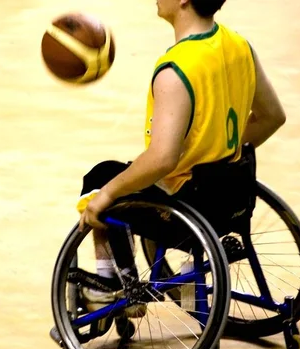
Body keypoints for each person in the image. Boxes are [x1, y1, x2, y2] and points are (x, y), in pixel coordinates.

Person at [76, 0, 287, 315]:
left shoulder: (175, 71)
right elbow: (272, 117)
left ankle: (110, 285)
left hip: (187, 209)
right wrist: (217, 149)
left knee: (100, 179)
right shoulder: (239, 46)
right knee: (130, 172)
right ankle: (186, 272)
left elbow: (162, 160)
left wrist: (108, 193)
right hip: (231, 199)